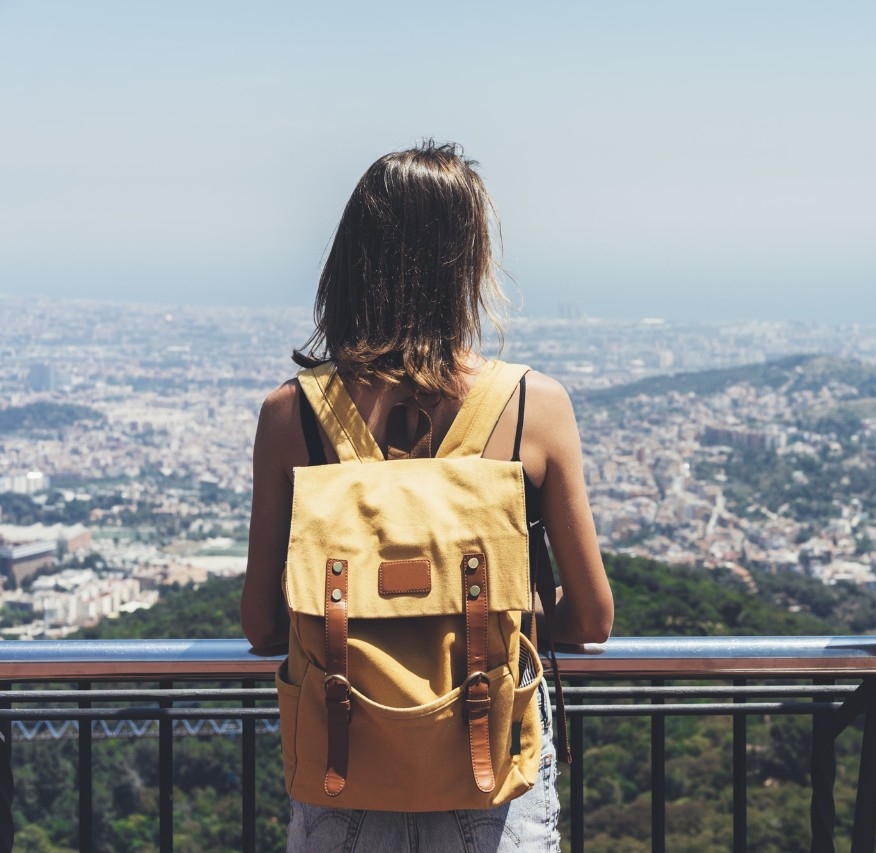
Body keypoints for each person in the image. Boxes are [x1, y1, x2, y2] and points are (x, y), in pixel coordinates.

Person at [240, 141, 614, 852]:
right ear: (467, 266)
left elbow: (261, 622)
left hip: (341, 772)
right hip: (490, 775)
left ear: (351, 260)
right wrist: (505, 602)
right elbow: (593, 617)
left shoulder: (292, 417)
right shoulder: (536, 406)